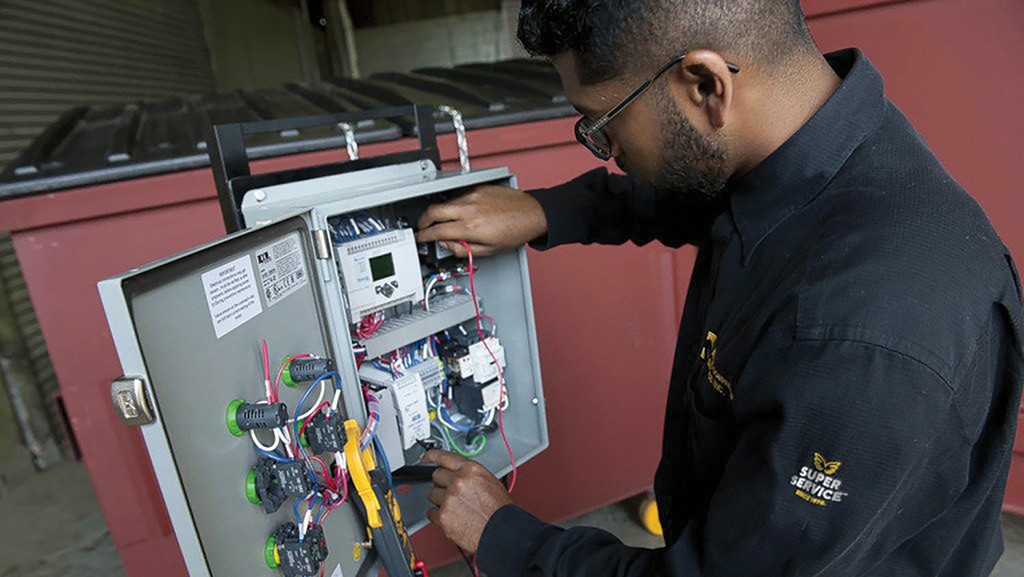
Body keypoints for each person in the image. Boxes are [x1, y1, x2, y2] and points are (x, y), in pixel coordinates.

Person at [415, 1, 1024, 576]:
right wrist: (548, 211)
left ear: (707, 86)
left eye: (604, 123)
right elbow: (694, 185)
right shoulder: (813, 141)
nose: (609, 150)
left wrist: (509, 538)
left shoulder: (861, 341)